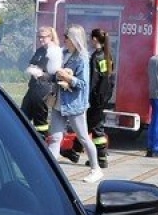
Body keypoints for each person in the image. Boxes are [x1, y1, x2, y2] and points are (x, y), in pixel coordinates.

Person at [49, 25, 101, 183]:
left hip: (74, 105)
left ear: (74, 39)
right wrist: (46, 75)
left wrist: (68, 78)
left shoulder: (82, 58)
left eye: (67, 37)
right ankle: (50, 172)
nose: (64, 39)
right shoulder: (64, 53)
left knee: (84, 138)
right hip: (59, 103)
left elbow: (83, 84)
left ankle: (96, 169)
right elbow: (56, 73)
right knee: (55, 138)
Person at [22, 26, 64, 140]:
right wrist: (32, 69)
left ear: (50, 37)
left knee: (40, 118)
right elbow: (33, 62)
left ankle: (42, 141)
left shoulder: (54, 51)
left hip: (44, 88)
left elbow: (55, 75)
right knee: (22, 114)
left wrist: (41, 74)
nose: (40, 39)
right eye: (39, 37)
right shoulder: (40, 50)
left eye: (43, 37)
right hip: (34, 86)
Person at [86, 27, 116, 167]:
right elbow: (110, 78)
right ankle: (100, 157)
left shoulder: (96, 56)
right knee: (96, 125)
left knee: (95, 126)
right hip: (104, 96)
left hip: (95, 97)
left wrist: (88, 96)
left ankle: (101, 157)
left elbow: (94, 79)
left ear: (94, 39)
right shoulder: (108, 55)